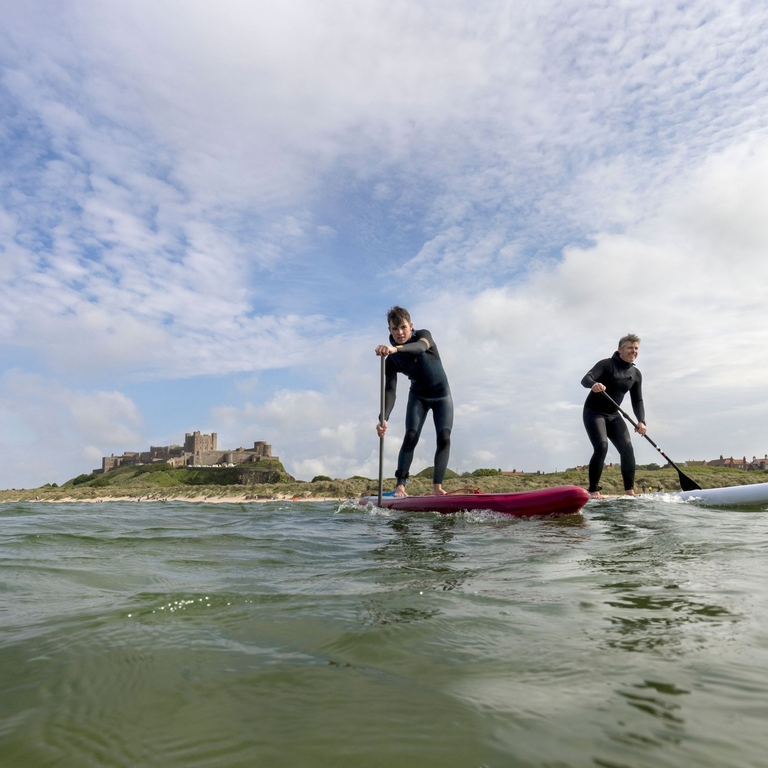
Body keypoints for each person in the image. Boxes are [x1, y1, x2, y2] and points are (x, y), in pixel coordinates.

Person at [375, 306, 453, 497]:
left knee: (444, 438)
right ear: (389, 330)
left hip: (442, 397)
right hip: (418, 397)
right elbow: (390, 390)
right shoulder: (392, 359)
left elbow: (419, 348)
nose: (399, 332)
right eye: (394, 329)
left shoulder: (423, 336)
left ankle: (437, 488)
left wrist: (395, 349)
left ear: (411, 326)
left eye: (403, 327)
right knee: (411, 436)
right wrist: (383, 417)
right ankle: (400, 487)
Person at [581, 334, 647, 499]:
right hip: (594, 412)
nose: (634, 351)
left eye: (636, 348)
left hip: (613, 414)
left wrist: (641, 421)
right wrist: (593, 384)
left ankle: (629, 492)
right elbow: (585, 379)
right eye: (630, 348)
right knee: (602, 446)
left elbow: (637, 400)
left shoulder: (635, 374)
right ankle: (594, 491)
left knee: (627, 449)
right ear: (620, 350)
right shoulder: (606, 365)